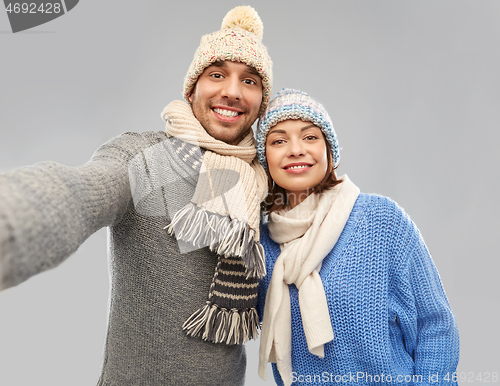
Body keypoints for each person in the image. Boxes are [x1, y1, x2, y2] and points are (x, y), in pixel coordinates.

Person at [0, 6, 272, 386]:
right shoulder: (145, 157)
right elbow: (77, 192)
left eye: (250, 81)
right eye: (217, 74)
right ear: (191, 88)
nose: (232, 91)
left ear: (261, 101)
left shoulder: (263, 182)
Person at [255, 89, 460, 386]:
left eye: (310, 137)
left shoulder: (380, 219)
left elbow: (435, 325)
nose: (296, 149)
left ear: (329, 150)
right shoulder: (258, 245)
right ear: (265, 160)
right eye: (279, 141)